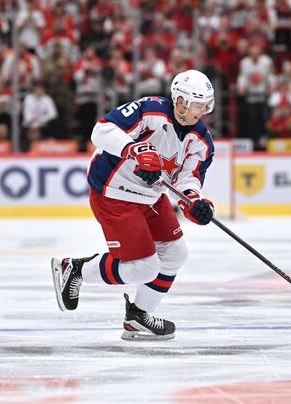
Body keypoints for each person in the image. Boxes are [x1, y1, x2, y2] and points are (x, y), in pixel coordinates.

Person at [51, 69, 216, 340]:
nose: (203, 111)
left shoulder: (201, 141)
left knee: (175, 254)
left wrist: (194, 202)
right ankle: (74, 269)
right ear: (181, 101)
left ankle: (138, 317)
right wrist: (134, 150)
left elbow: (189, 179)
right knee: (145, 267)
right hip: (114, 191)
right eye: (199, 105)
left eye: (206, 105)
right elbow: (102, 129)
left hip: (151, 196)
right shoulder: (150, 110)